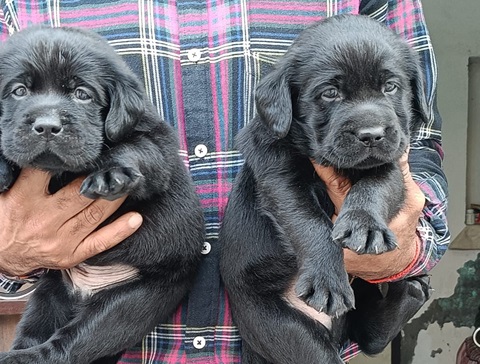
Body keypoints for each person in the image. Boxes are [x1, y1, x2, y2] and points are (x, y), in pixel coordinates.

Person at [0, 0, 449, 362]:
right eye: (331, 91)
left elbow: (420, 147)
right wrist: (6, 252)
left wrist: (403, 248)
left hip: (288, 321)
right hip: (105, 323)